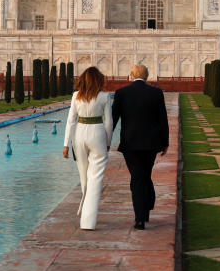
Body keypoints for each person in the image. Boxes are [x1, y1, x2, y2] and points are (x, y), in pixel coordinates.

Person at [112, 64, 169, 230]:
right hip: (151, 143)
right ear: (147, 76)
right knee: (144, 175)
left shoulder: (121, 93)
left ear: (131, 75)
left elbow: (113, 119)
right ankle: (147, 204)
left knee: (137, 177)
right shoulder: (156, 93)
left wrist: (106, 139)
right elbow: (162, 119)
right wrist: (164, 142)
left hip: (130, 143)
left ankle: (140, 218)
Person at [62, 66, 113, 230]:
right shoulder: (104, 97)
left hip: (80, 135)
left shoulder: (76, 96)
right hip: (97, 134)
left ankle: (84, 207)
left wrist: (65, 145)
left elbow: (70, 121)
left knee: (84, 176)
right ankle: (88, 221)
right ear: (99, 80)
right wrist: (108, 142)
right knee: (95, 177)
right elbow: (109, 123)